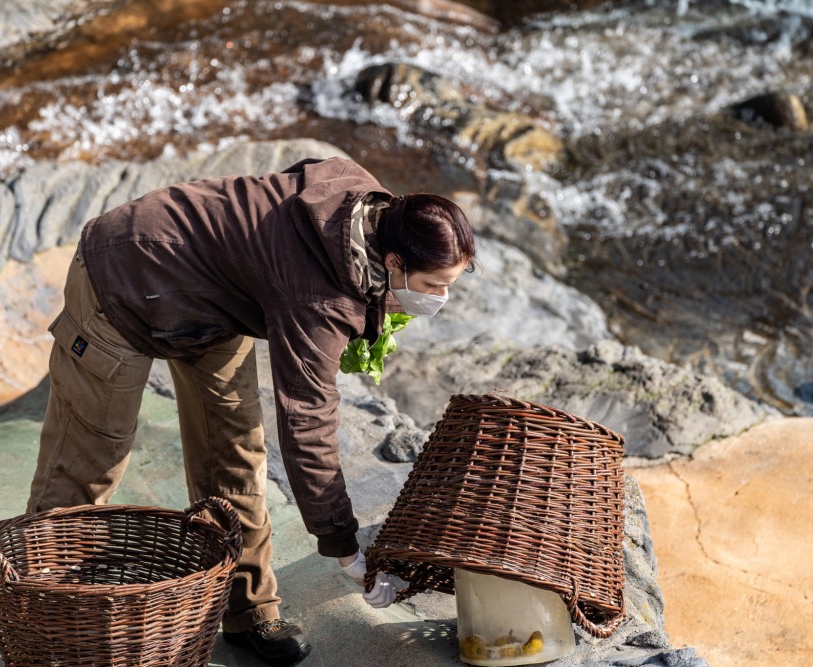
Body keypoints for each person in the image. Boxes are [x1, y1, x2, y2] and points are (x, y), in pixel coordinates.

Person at [25, 156, 476, 667]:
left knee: (236, 453)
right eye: (434, 284)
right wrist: (345, 548)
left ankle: (248, 610)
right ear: (393, 261)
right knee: (92, 458)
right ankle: (45, 616)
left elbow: (294, 188)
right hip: (123, 278)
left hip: (211, 305)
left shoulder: (367, 200)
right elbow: (307, 425)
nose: (441, 298)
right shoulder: (317, 302)